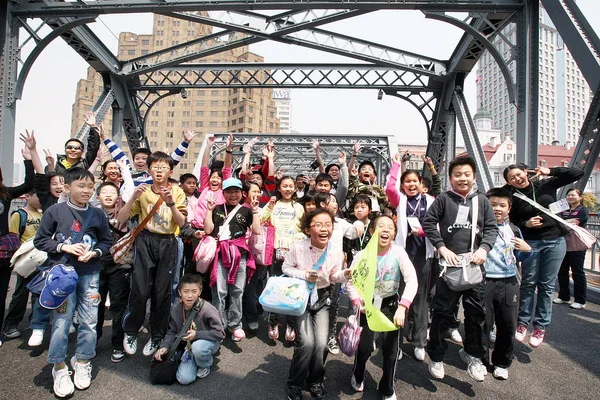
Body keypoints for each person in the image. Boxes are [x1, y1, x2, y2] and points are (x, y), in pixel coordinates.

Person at [33, 167, 112, 397]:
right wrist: (63, 247)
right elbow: (40, 241)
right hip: (62, 276)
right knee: (62, 322)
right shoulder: (55, 212)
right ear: (67, 188)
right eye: (81, 186)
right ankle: (58, 366)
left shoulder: (98, 214)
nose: (87, 190)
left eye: (90, 186)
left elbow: (106, 241)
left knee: (89, 322)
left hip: (90, 274)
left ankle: (83, 361)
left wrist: (95, 252)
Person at [423, 156, 498, 382]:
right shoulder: (444, 199)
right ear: (450, 178)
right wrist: (441, 247)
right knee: (442, 313)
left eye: (467, 174)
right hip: (449, 267)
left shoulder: (482, 201)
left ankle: (473, 355)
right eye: (457, 175)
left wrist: (484, 248)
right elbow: (428, 223)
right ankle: (435, 356)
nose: (462, 178)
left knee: (476, 315)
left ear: (474, 177)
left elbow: (492, 228)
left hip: (474, 267)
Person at [502, 163, 583, 347]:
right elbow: (513, 221)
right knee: (529, 282)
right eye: (512, 178)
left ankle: (540, 326)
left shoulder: (546, 184)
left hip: (555, 241)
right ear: (509, 181)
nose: (517, 179)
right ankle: (522, 324)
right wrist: (526, 224)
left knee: (546, 286)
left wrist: (551, 170)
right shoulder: (512, 196)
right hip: (531, 243)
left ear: (526, 172)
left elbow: (578, 173)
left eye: (519, 174)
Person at [120, 151, 188, 357]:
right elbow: (122, 218)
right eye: (155, 167)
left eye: (163, 167)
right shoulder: (143, 191)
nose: (159, 171)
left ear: (171, 170)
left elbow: (182, 223)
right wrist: (133, 197)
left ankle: (157, 335)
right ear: (148, 170)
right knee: (140, 290)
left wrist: (170, 202)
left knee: (163, 292)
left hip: (168, 243)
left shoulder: (177, 191)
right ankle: (131, 331)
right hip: (145, 241)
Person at [283, 208, 352, 400]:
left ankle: (315, 380)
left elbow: (334, 276)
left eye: (328, 225)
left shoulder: (336, 250)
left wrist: (344, 275)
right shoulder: (298, 247)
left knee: (321, 344)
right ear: (308, 230)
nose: (324, 229)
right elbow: (285, 267)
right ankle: (295, 383)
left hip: (323, 298)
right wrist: (304, 274)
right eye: (319, 225)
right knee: (306, 343)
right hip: (301, 298)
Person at [347, 215, 418, 400]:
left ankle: (387, 388)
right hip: (367, 306)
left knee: (391, 350)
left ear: (394, 233)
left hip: (391, 305)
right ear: (371, 231)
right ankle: (358, 373)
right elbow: (351, 281)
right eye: (380, 226)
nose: (385, 230)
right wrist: (357, 301)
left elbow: (412, 280)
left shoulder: (399, 253)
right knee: (364, 347)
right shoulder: (363, 255)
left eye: (390, 227)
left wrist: (403, 306)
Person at [386, 154, 436, 362]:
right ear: (403, 185)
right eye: (407, 182)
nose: (411, 184)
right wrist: (397, 164)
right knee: (399, 299)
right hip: (402, 255)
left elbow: (437, 226)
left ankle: (419, 342)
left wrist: (423, 232)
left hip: (424, 254)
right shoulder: (400, 200)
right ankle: (396, 342)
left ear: (421, 183)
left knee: (421, 301)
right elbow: (389, 188)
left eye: (415, 181)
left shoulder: (432, 201)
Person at [483, 188, 532, 380]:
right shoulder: (479, 227)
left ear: (509, 208)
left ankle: (502, 363)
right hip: (484, 280)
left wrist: (527, 251)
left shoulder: (514, 229)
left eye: (502, 205)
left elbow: (518, 256)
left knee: (507, 324)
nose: (497, 209)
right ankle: (479, 357)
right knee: (483, 323)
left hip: (509, 281)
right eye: (492, 204)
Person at [204, 178, 261, 342]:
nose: (233, 195)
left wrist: (255, 211)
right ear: (223, 193)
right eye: (229, 191)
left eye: (236, 191)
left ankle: (235, 325)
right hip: (220, 255)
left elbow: (256, 230)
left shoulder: (246, 210)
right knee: (219, 292)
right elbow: (208, 229)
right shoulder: (216, 209)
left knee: (237, 292)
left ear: (242, 193)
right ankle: (219, 326)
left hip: (240, 256)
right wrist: (209, 210)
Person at [0, 131, 36, 347]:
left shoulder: (5, 194)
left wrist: (28, 159)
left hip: (2, 253)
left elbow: (28, 184)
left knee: (2, 294)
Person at [154, 274, 225, 384]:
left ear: (200, 292)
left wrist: (197, 335)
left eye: (194, 291)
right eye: (186, 291)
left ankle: (205, 363)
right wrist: (164, 346)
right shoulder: (176, 309)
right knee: (184, 379)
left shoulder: (208, 309)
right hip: (188, 347)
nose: (190, 295)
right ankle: (196, 359)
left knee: (198, 348)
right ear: (179, 292)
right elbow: (171, 331)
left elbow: (220, 333)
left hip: (206, 343)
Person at [262, 177, 305, 342]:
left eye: (290, 186)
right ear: (279, 188)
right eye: (284, 186)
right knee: (276, 286)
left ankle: (291, 323)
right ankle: (272, 322)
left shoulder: (299, 207)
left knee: (293, 287)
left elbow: (303, 229)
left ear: (295, 189)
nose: (287, 189)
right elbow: (260, 219)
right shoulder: (274, 204)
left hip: (293, 252)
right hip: (276, 251)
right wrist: (270, 206)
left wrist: (296, 240)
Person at [95, 181, 133, 363]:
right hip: (95, 266)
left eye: (112, 192)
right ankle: (91, 341)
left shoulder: (127, 214)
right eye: (104, 192)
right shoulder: (91, 214)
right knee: (95, 306)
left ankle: (118, 344)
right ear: (98, 197)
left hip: (119, 266)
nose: (108, 195)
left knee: (118, 307)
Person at [2, 189, 42, 340]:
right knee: (20, 293)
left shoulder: (42, 214)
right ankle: (10, 325)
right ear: (27, 196)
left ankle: (34, 323)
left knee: (38, 294)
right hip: (26, 260)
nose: (39, 199)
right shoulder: (19, 214)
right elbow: (13, 237)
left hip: (40, 259)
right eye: (37, 195)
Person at [554, 188, 589, 310]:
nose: (570, 197)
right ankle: (564, 296)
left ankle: (580, 300)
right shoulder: (563, 210)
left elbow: (573, 222)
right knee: (562, 270)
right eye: (568, 195)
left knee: (577, 272)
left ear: (580, 197)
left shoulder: (583, 210)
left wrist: (561, 222)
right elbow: (554, 219)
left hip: (576, 245)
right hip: (563, 243)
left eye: (573, 195)